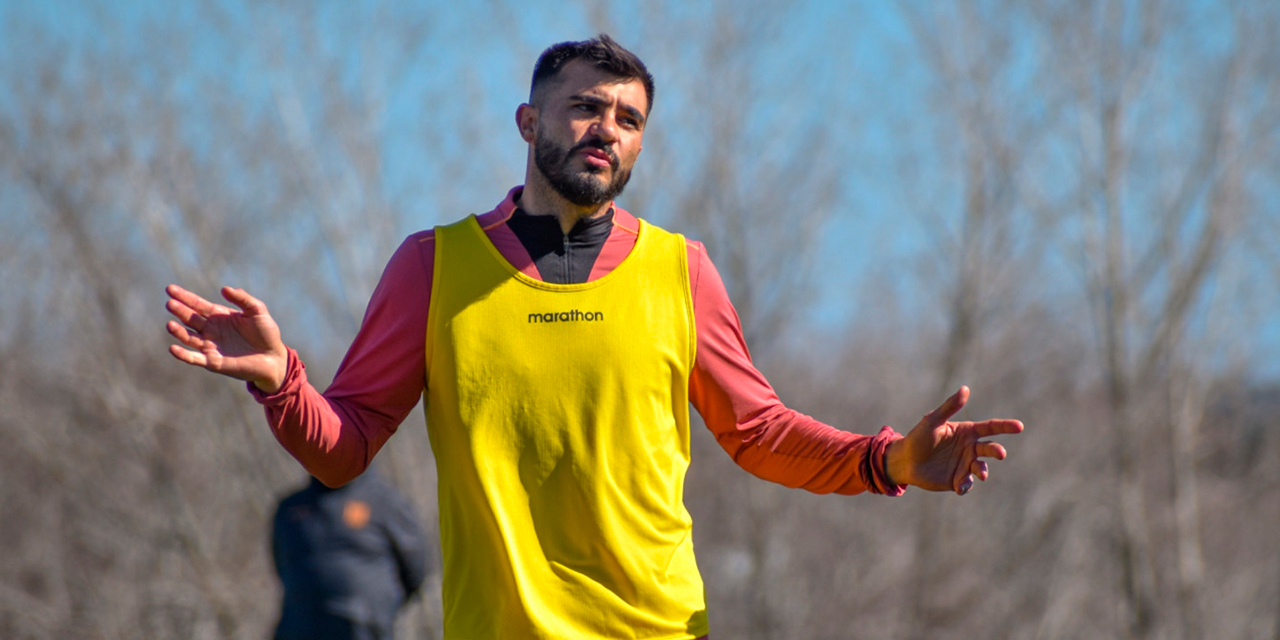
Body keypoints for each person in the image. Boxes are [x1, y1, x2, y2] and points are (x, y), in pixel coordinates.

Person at [165, 34, 1024, 640]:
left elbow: (758, 433)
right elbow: (342, 452)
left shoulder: (680, 270)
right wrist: (281, 380)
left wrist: (889, 462)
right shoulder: (432, 268)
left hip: (659, 630)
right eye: (584, 107)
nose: (607, 128)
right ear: (528, 122)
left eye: (629, 117)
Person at [271, 468, 428, 640]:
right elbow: (281, 563)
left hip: (365, 627)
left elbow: (415, 566)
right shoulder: (290, 508)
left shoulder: (385, 502)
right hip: (300, 627)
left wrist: (378, 608)